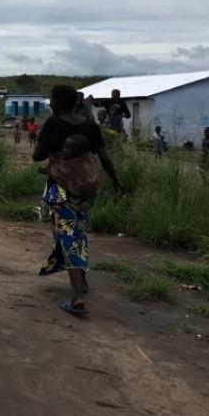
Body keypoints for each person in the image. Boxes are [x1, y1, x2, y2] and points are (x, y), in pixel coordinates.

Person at [34, 84, 122, 316]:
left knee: (68, 237)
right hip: (85, 190)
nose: (50, 103)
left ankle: (77, 298)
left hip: (61, 189)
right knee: (77, 233)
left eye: (52, 100)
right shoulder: (90, 126)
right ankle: (81, 282)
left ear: (57, 102)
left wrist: (46, 146)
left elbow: (37, 156)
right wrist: (116, 181)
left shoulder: (52, 124)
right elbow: (104, 158)